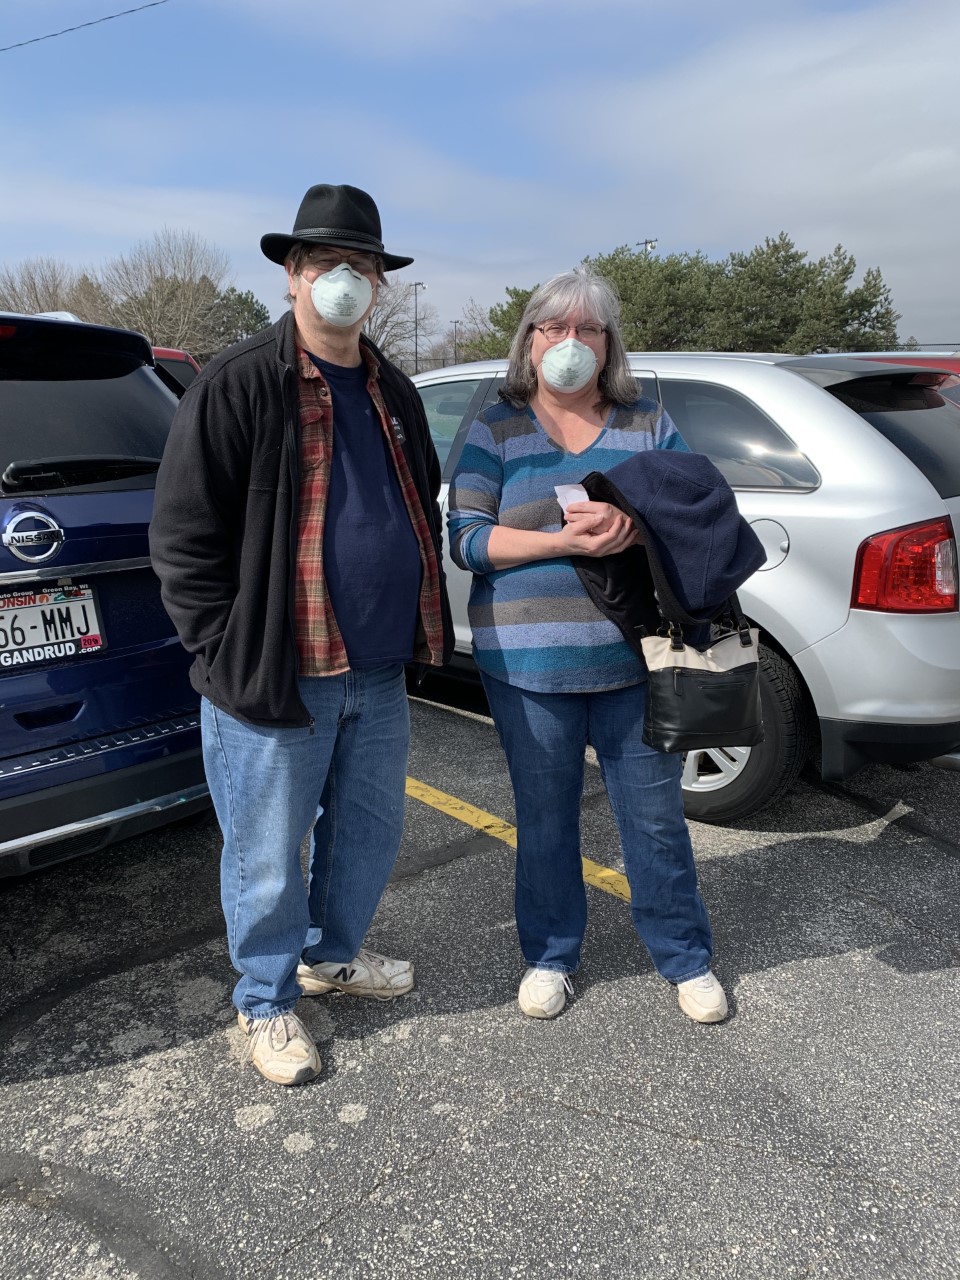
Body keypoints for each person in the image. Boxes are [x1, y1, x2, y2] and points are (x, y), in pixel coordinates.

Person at [150, 184, 453, 1086]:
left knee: (366, 834)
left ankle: (331, 958)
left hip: (376, 669)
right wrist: (221, 645)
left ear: (380, 284)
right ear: (292, 275)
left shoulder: (393, 388)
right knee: (266, 850)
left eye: (362, 268)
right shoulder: (239, 382)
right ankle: (266, 1002)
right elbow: (182, 533)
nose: (345, 283)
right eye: (327, 266)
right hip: (279, 676)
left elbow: (413, 508)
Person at [446, 266, 729, 1025]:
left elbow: (693, 508)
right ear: (529, 341)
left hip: (636, 661)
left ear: (608, 345)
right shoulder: (495, 427)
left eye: (587, 330)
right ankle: (549, 953)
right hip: (527, 667)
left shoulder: (646, 422)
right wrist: (558, 540)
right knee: (544, 818)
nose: (569, 343)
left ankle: (684, 955)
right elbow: (467, 540)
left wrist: (635, 527)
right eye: (553, 328)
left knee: (656, 818)